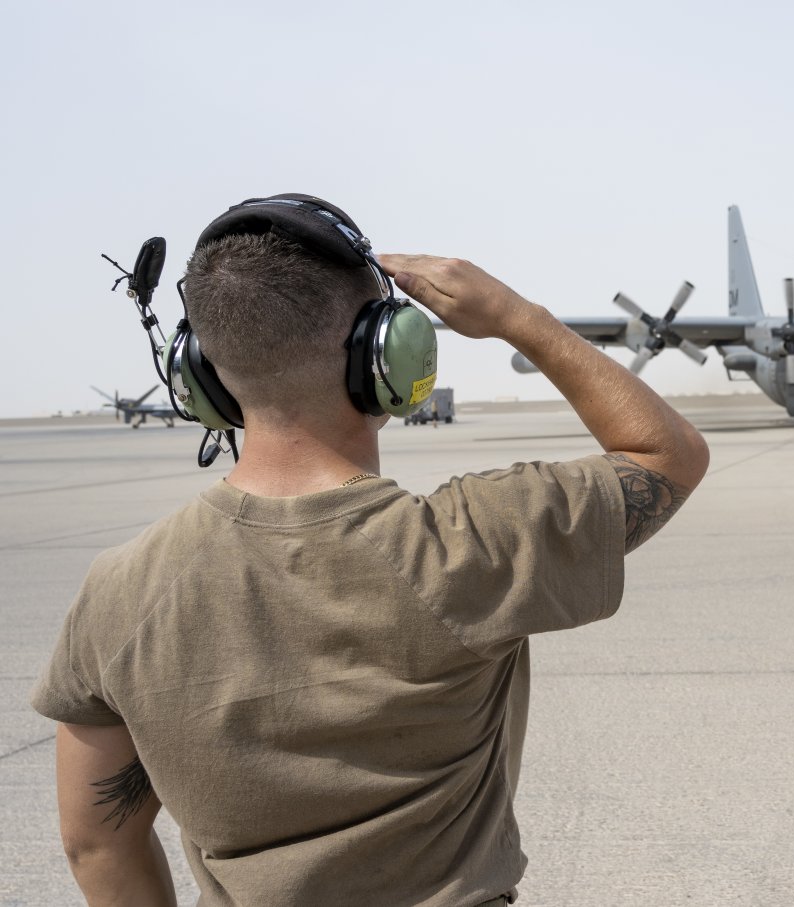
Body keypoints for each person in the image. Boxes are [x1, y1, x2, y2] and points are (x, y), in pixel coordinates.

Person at [30, 195, 709, 906]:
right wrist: (518, 318)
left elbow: (97, 841)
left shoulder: (118, 592)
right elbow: (669, 454)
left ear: (200, 373)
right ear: (387, 354)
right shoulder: (476, 540)